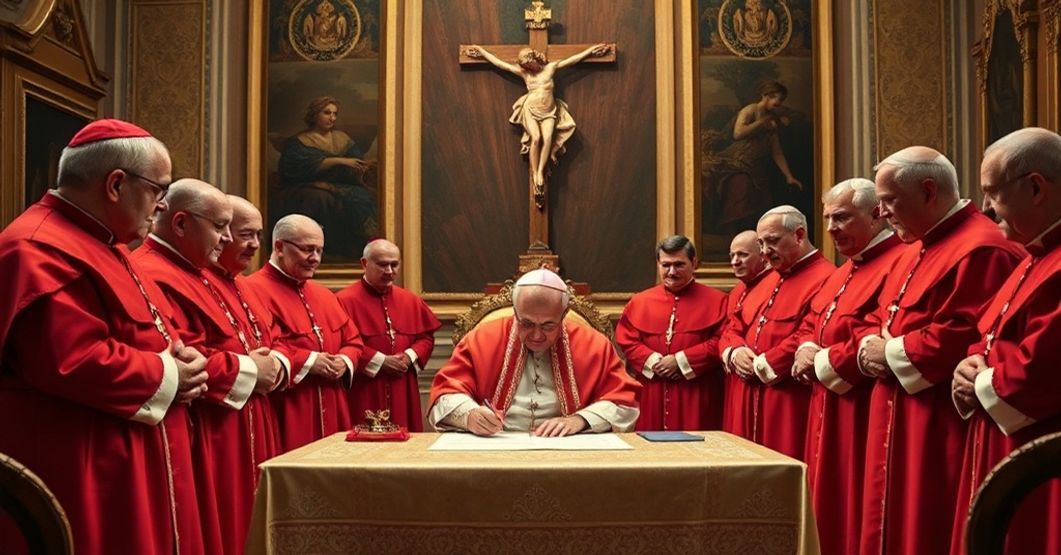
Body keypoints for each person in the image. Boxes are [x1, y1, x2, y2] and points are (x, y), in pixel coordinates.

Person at [0, 119, 209, 554]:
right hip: (88, 468)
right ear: (116, 184)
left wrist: (178, 356)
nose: (162, 207)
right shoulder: (36, 246)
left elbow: (146, 329)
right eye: (158, 190)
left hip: (133, 456)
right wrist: (169, 373)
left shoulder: (109, 244)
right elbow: (69, 359)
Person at [856, 146, 1024, 555]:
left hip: (936, 421)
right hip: (897, 408)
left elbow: (963, 333)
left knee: (926, 523)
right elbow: (884, 316)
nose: (881, 214)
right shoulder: (913, 247)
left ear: (929, 191)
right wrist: (870, 346)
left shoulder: (981, 247)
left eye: (889, 201)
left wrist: (890, 352)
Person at [131, 181, 285, 555]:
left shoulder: (201, 272)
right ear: (181, 224)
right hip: (212, 431)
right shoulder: (155, 271)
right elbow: (182, 356)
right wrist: (252, 369)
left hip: (247, 419)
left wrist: (271, 364)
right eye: (221, 228)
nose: (227, 240)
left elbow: (262, 336)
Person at [949, 127, 1061, 555]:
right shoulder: (1032, 256)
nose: (984, 208)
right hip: (1003, 437)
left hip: (1041, 457)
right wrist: (969, 365)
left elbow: (1043, 367)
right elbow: (987, 333)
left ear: (1035, 188)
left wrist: (978, 380)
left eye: (993, 193)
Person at [789, 178, 903, 555]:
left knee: (854, 501)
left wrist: (822, 359)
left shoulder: (898, 261)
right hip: (827, 402)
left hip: (860, 405)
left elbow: (878, 333)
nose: (831, 228)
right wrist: (806, 346)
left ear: (875, 215)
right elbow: (813, 321)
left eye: (841, 218)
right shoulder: (843, 270)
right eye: (827, 219)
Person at [428, 268, 640, 436]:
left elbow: (625, 402)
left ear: (563, 314)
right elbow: (445, 393)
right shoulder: (481, 339)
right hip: (495, 446)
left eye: (548, 326)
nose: (536, 335)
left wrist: (581, 420)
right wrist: (469, 415)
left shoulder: (594, 345)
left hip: (569, 447)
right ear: (515, 311)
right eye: (527, 324)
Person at [720, 206, 834, 459]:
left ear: (799, 235)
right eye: (761, 243)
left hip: (786, 399)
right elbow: (734, 323)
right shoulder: (768, 277)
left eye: (772, 241)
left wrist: (766, 363)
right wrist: (734, 351)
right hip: (746, 395)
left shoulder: (826, 277)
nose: (764, 251)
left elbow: (813, 331)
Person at [246, 214, 364, 450]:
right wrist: (310, 361)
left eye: (319, 251)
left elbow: (353, 340)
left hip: (333, 406)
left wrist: (343, 360)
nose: (315, 259)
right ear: (279, 247)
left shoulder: (325, 295)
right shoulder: (251, 290)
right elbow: (260, 348)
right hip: (289, 406)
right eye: (308, 250)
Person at [615, 235, 728, 431]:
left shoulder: (718, 301)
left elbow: (722, 339)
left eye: (679, 265)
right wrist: (654, 362)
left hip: (697, 392)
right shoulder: (639, 302)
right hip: (652, 391)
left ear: (694, 263)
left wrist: (680, 361)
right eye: (666, 265)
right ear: (658, 264)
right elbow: (627, 339)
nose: (671, 272)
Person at [464, 42, 611, 192]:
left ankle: (541, 169)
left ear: (533, 58)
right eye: (525, 66)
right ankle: (535, 174)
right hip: (531, 109)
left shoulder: (550, 69)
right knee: (536, 138)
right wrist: (482, 52)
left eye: (529, 64)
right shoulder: (525, 74)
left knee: (547, 139)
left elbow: (573, 59)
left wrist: (591, 51)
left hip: (549, 111)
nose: (528, 68)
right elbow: (501, 64)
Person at [336, 239, 441, 431]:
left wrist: (409, 357)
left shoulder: (409, 299)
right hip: (365, 387)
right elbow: (341, 342)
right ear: (364, 263)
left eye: (394, 264)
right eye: (382, 264)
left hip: (402, 386)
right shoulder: (343, 301)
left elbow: (426, 337)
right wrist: (380, 361)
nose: (390, 271)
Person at [278, 96, 376, 260]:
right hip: (307, 186)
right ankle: (324, 247)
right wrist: (338, 160)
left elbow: (357, 163)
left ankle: (354, 247)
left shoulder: (341, 138)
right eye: (327, 113)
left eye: (335, 114)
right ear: (315, 115)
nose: (332, 117)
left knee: (362, 197)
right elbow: (293, 169)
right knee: (320, 199)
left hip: (339, 186)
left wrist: (364, 165)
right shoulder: (300, 141)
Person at [703, 81, 802, 237]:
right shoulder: (750, 110)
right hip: (737, 163)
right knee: (740, 192)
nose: (779, 102)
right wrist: (761, 122)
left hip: (756, 167)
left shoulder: (772, 120)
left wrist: (789, 176)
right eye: (776, 97)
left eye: (781, 99)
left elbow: (776, 151)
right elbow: (738, 133)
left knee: (761, 204)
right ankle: (731, 237)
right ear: (765, 96)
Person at [719, 230, 772, 436]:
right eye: (732, 256)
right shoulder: (737, 291)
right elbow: (728, 331)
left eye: (742, 255)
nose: (735, 261)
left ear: (762, 254)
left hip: (760, 378)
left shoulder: (775, 283)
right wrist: (734, 352)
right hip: (737, 380)